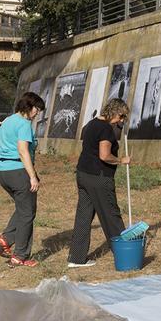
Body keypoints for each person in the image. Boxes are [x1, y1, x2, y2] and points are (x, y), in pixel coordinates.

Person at [67, 98, 132, 268]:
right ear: (115, 112)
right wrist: (121, 160)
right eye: (122, 116)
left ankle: (76, 258)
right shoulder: (106, 130)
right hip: (98, 177)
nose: (122, 121)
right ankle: (127, 255)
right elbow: (104, 155)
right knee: (111, 215)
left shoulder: (91, 124)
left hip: (83, 174)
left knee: (84, 216)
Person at [0, 91, 45, 267]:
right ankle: (20, 255)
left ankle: (5, 239)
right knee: (27, 214)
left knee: (24, 208)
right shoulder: (24, 124)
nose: (38, 113)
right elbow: (23, 151)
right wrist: (32, 176)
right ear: (29, 106)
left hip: (3, 171)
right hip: (18, 171)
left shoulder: (7, 121)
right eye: (37, 109)